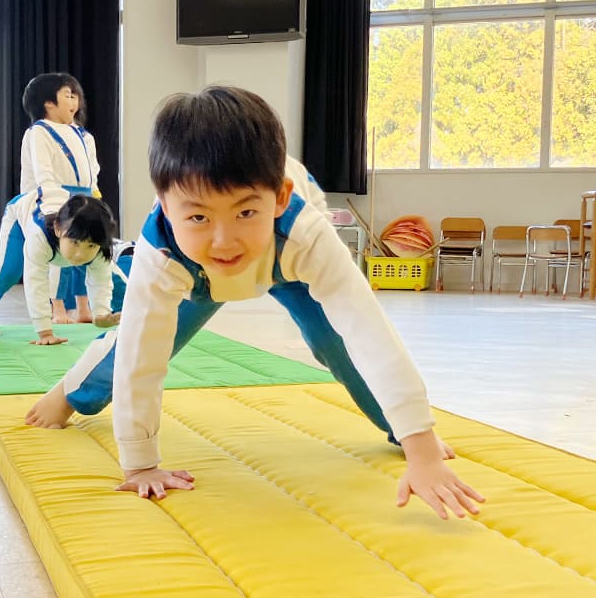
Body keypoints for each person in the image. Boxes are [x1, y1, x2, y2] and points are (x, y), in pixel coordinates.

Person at [25, 86, 485, 520]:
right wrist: (140, 463)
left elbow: (369, 331)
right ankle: (69, 392)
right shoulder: (161, 252)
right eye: (199, 216)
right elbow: (139, 358)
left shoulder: (307, 234)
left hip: (285, 260)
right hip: (196, 274)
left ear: (280, 198)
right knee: (145, 342)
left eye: (245, 211)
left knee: (339, 344)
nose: (225, 240)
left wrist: (422, 450)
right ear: (165, 207)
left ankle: (402, 430)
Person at [0, 191, 120, 344]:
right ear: (58, 229)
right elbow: (35, 283)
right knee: (8, 271)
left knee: (93, 263)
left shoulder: (99, 247)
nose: (80, 254)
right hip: (19, 215)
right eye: (75, 243)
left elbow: (101, 281)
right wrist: (45, 332)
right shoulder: (39, 236)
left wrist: (101, 313)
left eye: (91, 245)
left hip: (58, 211)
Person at [20, 72, 102, 324]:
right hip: (53, 198)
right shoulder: (38, 132)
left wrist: (96, 196)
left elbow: (93, 169)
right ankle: (57, 308)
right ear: (48, 102)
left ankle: (83, 306)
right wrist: (52, 206)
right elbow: (43, 172)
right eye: (67, 95)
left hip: (84, 196)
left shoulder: (84, 136)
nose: (73, 101)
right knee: (62, 253)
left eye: (75, 95)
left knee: (86, 250)